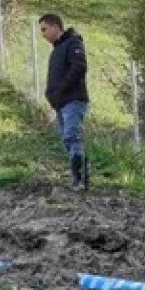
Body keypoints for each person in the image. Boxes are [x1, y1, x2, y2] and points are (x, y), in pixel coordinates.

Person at [39, 13, 90, 191]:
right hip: (62, 102)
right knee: (67, 140)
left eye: (44, 29)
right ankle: (78, 177)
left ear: (55, 27)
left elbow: (79, 67)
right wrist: (51, 94)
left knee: (72, 136)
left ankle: (80, 180)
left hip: (73, 100)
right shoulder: (57, 49)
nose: (42, 34)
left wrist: (61, 89)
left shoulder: (73, 43)